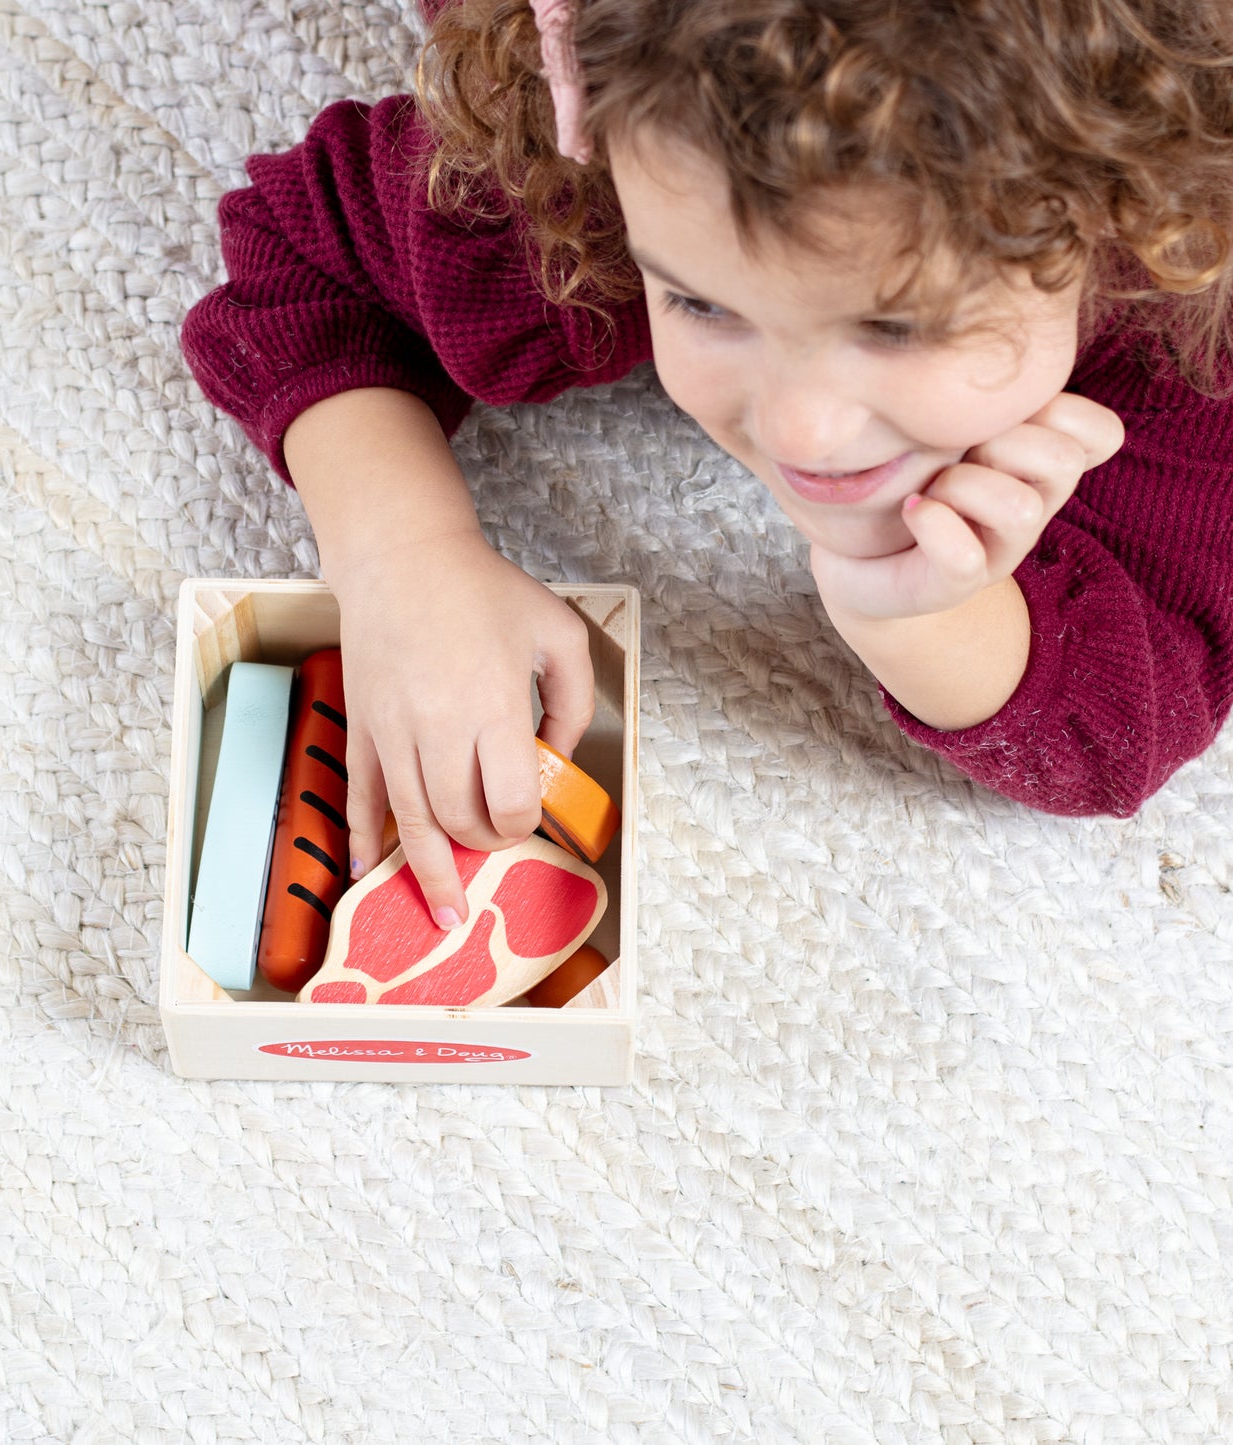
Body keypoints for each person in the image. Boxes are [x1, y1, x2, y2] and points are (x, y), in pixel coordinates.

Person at [182, 0, 1233, 930]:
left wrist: (911, 604)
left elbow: (1113, 726)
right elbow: (300, 262)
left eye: (900, 326)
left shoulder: (1191, 310)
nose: (804, 433)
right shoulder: (645, 121)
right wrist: (401, 554)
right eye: (700, 301)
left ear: (1132, 213)